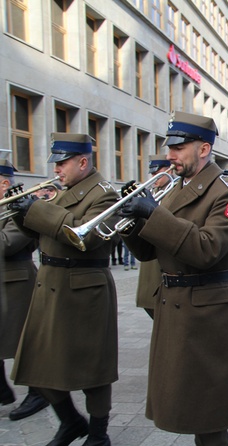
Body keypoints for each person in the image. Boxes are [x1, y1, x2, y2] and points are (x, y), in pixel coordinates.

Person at [119, 111, 228, 446]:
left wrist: (154, 214)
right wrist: (131, 222)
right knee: (184, 398)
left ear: (204, 149)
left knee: (208, 406)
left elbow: (207, 250)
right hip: (173, 305)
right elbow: (149, 252)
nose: (170, 154)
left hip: (208, 311)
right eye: (169, 146)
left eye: (178, 147)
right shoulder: (176, 188)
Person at [9, 133, 120, 446]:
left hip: (84, 288)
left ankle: (98, 433)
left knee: (93, 368)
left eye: (62, 163)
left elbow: (83, 234)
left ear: (83, 162)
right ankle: (70, 421)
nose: (57, 170)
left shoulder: (104, 194)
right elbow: (43, 230)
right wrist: (22, 215)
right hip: (50, 284)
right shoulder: (62, 191)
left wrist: (37, 211)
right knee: (38, 361)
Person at [0, 160, 50, 421]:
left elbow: (9, 243)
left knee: (25, 344)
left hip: (17, 283)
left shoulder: (20, 206)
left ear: (4, 183)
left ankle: (38, 392)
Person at [134, 154, 174, 319]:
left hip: (164, 258)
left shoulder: (174, 190)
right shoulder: (152, 192)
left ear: (168, 170)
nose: (154, 177)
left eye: (158, 172)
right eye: (152, 173)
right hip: (149, 260)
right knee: (149, 304)